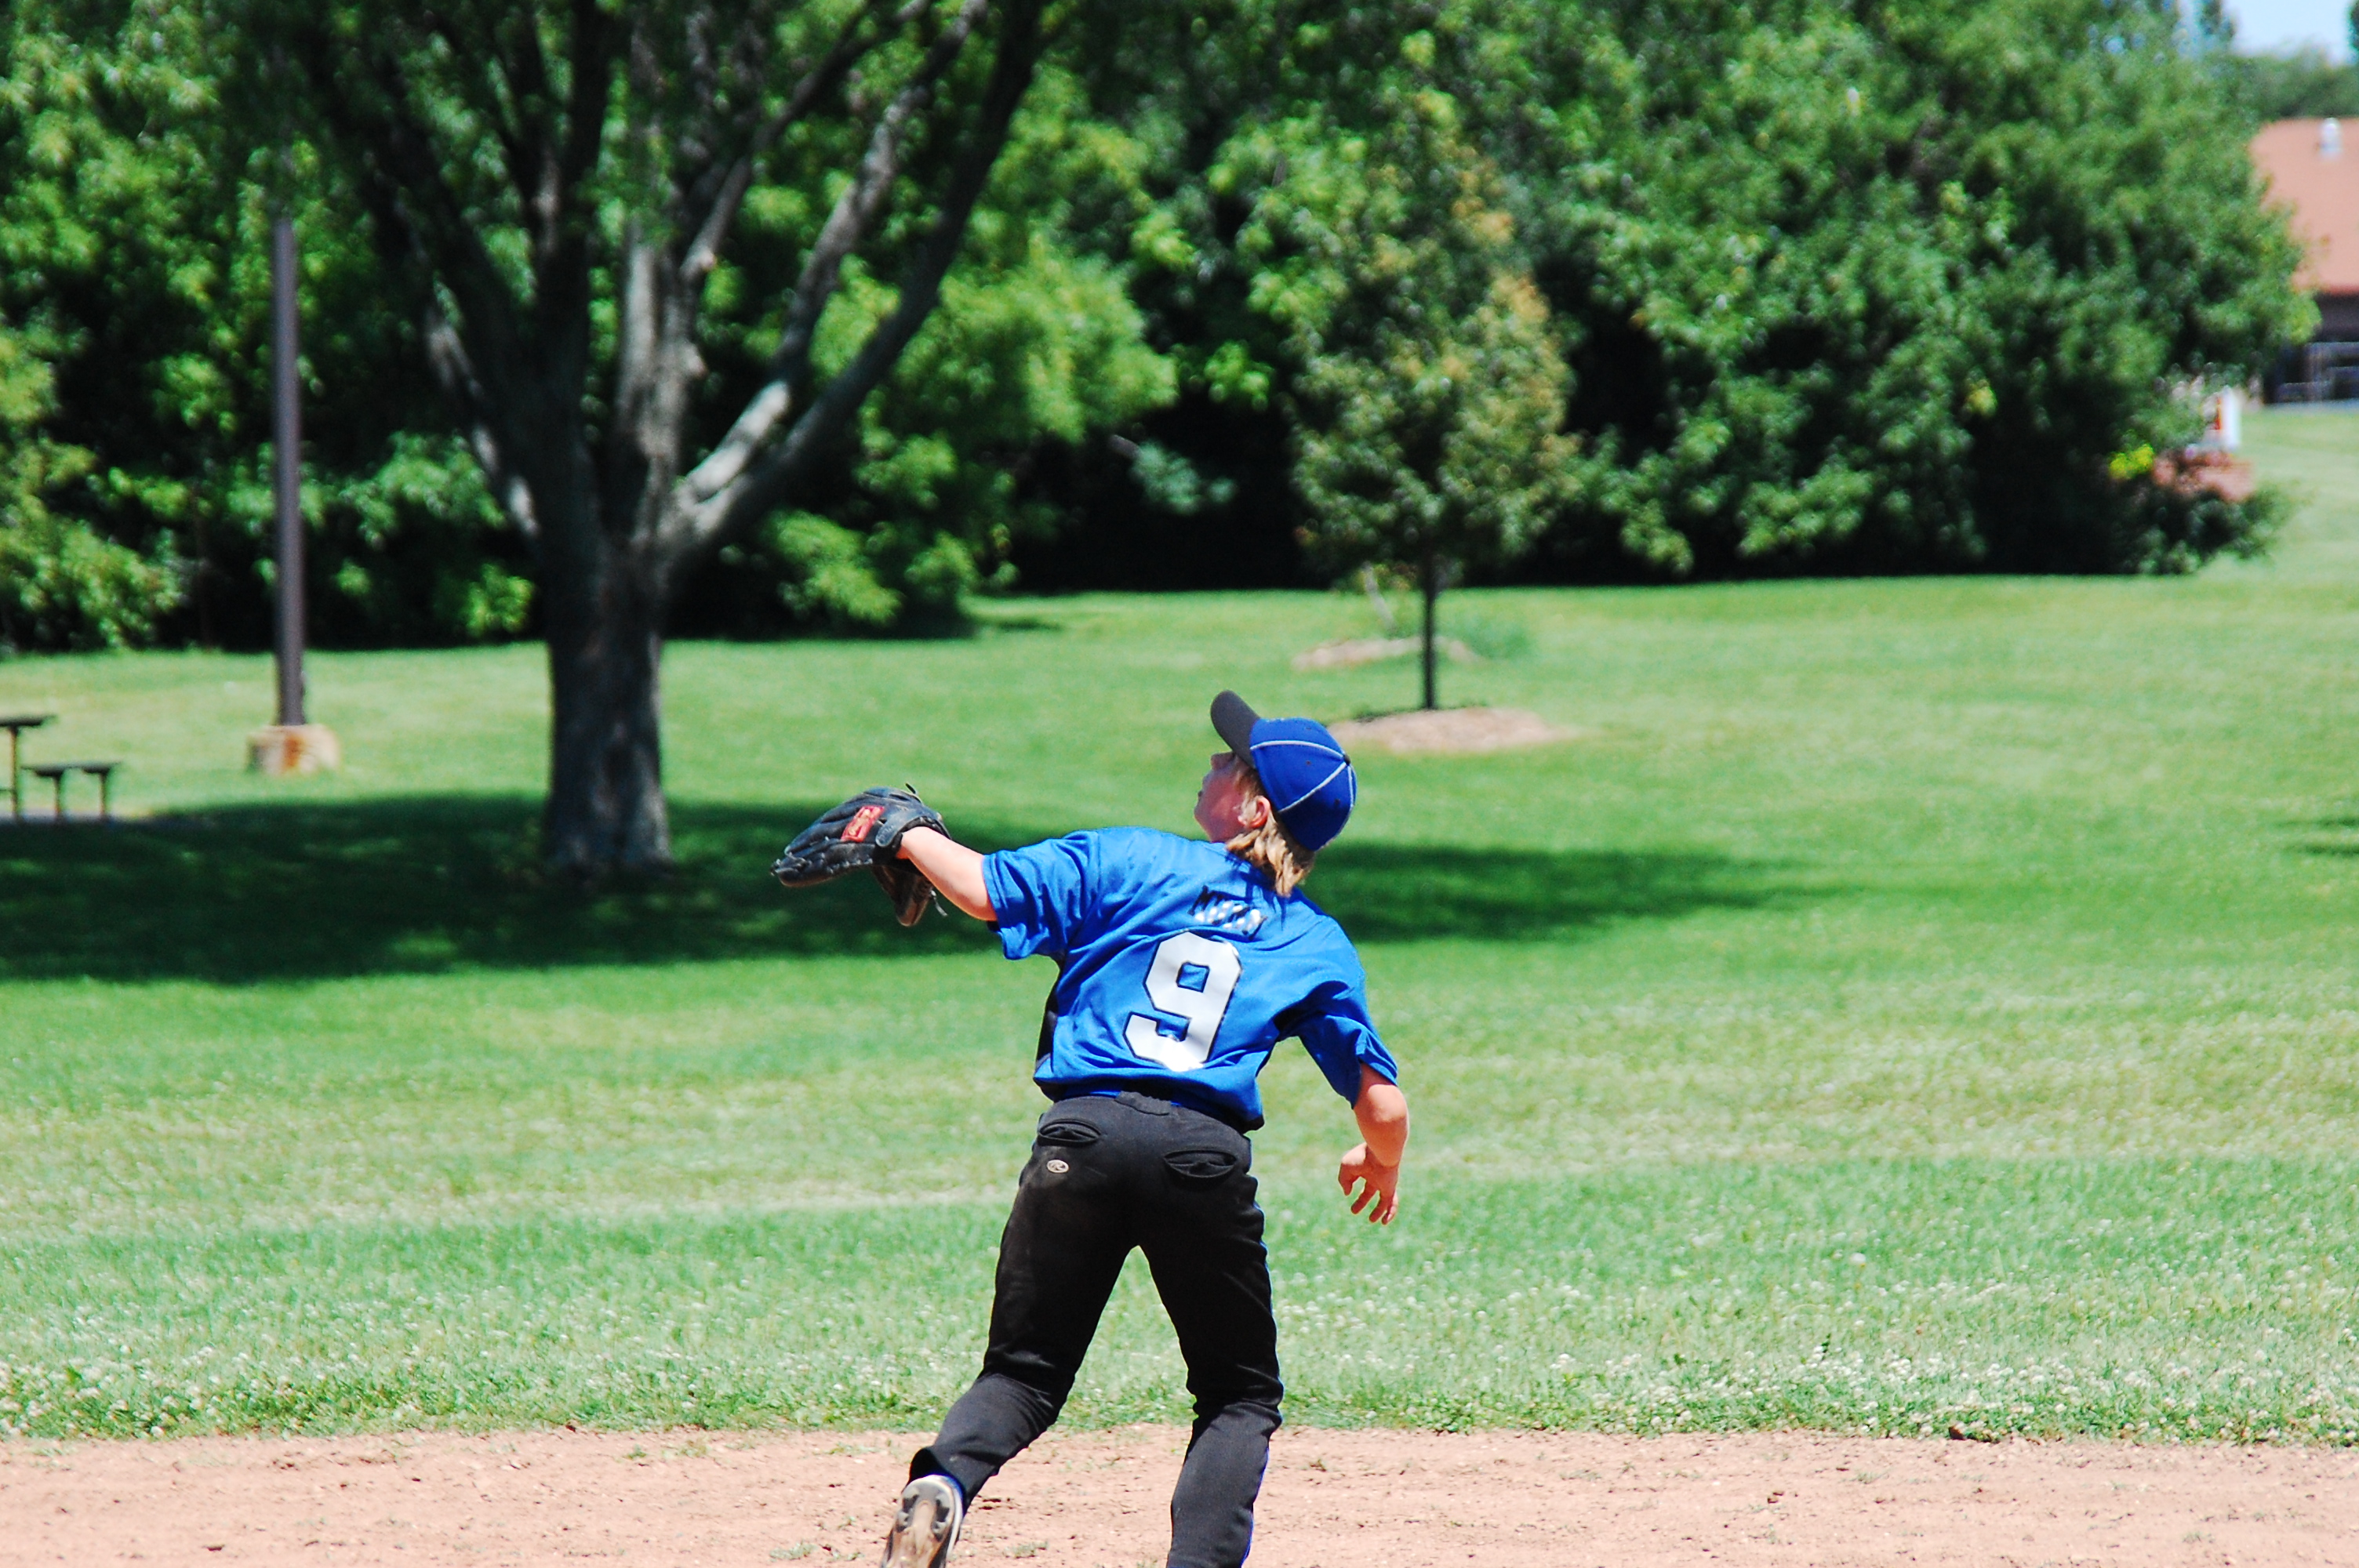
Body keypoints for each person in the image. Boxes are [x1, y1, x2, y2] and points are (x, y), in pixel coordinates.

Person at [875, 690, 1411, 1568]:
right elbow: (1381, 1105)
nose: (1213, 761)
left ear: (1254, 809)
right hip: (1200, 1159)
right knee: (1237, 1396)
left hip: (1078, 1144)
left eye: (1230, 761)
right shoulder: (1314, 941)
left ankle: (946, 1483)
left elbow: (976, 889)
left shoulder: (1129, 858)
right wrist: (1379, 1161)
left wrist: (900, 832)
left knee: (1024, 1372)